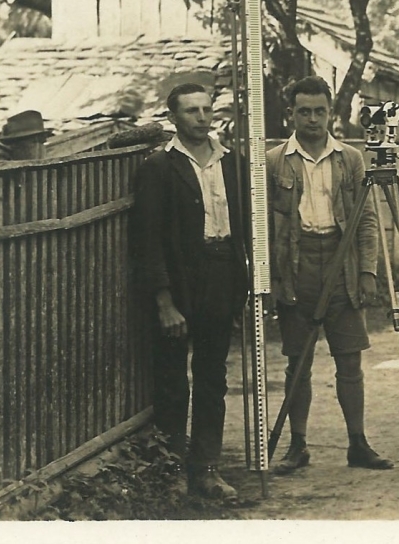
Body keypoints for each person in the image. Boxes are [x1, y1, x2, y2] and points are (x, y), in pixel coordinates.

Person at [266, 75, 392, 474]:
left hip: (342, 265)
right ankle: (297, 445)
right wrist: (270, 279)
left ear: (330, 113)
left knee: (349, 361)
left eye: (320, 110)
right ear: (291, 114)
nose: (313, 119)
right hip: (297, 267)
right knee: (297, 362)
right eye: (304, 111)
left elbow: (367, 219)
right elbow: (265, 227)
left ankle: (358, 443)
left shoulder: (350, 159)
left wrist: (368, 272)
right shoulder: (273, 161)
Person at [131, 83, 246, 500]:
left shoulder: (233, 164)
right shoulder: (159, 167)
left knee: (214, 376)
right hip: (180, 282)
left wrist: (245, 287)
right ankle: (172, 472)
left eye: (206, 109)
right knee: (172, 381)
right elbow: (147, 240)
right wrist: (164, 301)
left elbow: (248, 228)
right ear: (174, 118)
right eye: (191, 110)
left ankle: (206, 470)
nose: (201, 117)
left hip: (222, 277)